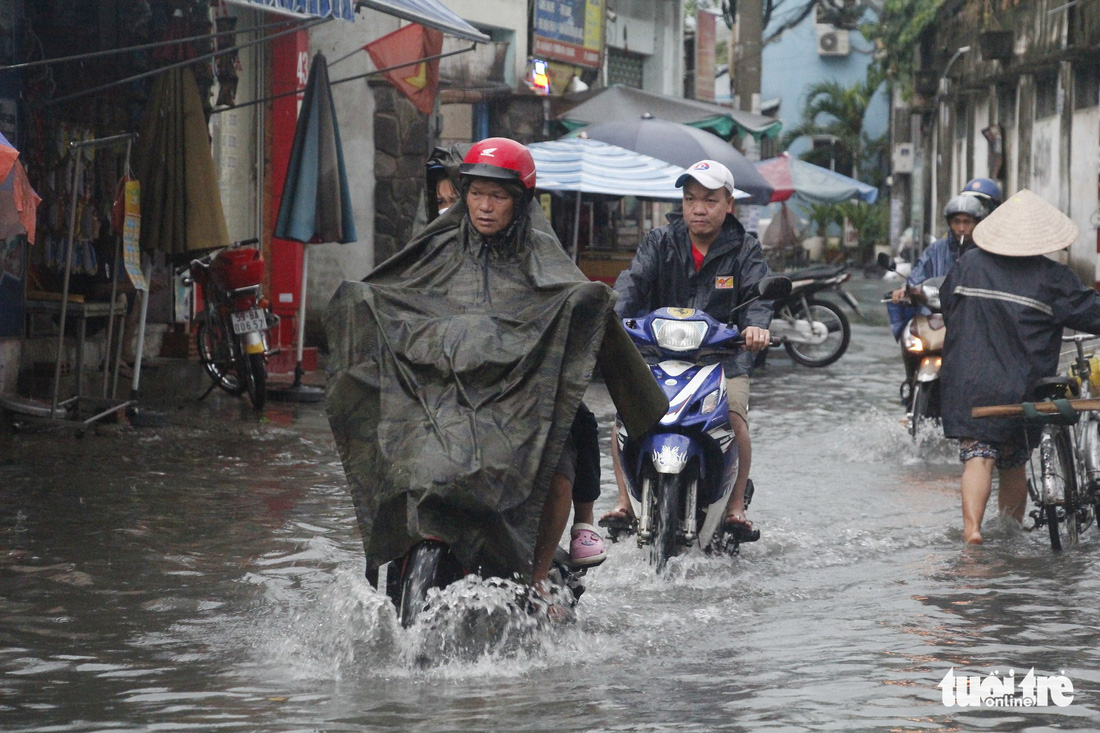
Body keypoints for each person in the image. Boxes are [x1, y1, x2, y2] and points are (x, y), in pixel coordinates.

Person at [422, 143, 607, 567]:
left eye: (498, 196)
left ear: (520, 201)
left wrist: (587, 304)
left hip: (525, 395)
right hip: (455, 390)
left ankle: (540, 575)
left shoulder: (542, 254)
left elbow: (570, 302)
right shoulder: (437, 250)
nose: (484, 207)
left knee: (561, 465)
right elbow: (407, 304)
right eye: (476, 194)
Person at [602, 159, 773, 537]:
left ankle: (735, 507)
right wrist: (608, 316)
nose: (698, 208)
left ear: (729, 204)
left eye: (709, 200)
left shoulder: (745, 249)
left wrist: (757, 327)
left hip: (722, 358)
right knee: (622, 418)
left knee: (735, 418)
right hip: (658, 354)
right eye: (690, 198)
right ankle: (623, 502)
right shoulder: (660, 241)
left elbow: (759, 297)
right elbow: (632, 283)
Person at [939, 188, 1100, 544]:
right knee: (1013, 462)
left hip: (966, 380)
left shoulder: (968, 264)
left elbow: (947, 305)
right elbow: (1091, 312)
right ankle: (1010, 534)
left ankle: (972, 531)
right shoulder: (1053, 277)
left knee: (978, 456)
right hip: (1021, 384)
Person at [888, 193, 986, 395]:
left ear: (977, 223)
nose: (961, 228)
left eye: (967, 222)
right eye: (956, 221)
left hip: (972, 318)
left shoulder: (985, 252)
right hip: (936, 318)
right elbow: (917, 275)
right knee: (912, 338)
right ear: (949, 222)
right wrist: (906, 289)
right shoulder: (936, 250)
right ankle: (910, 382)